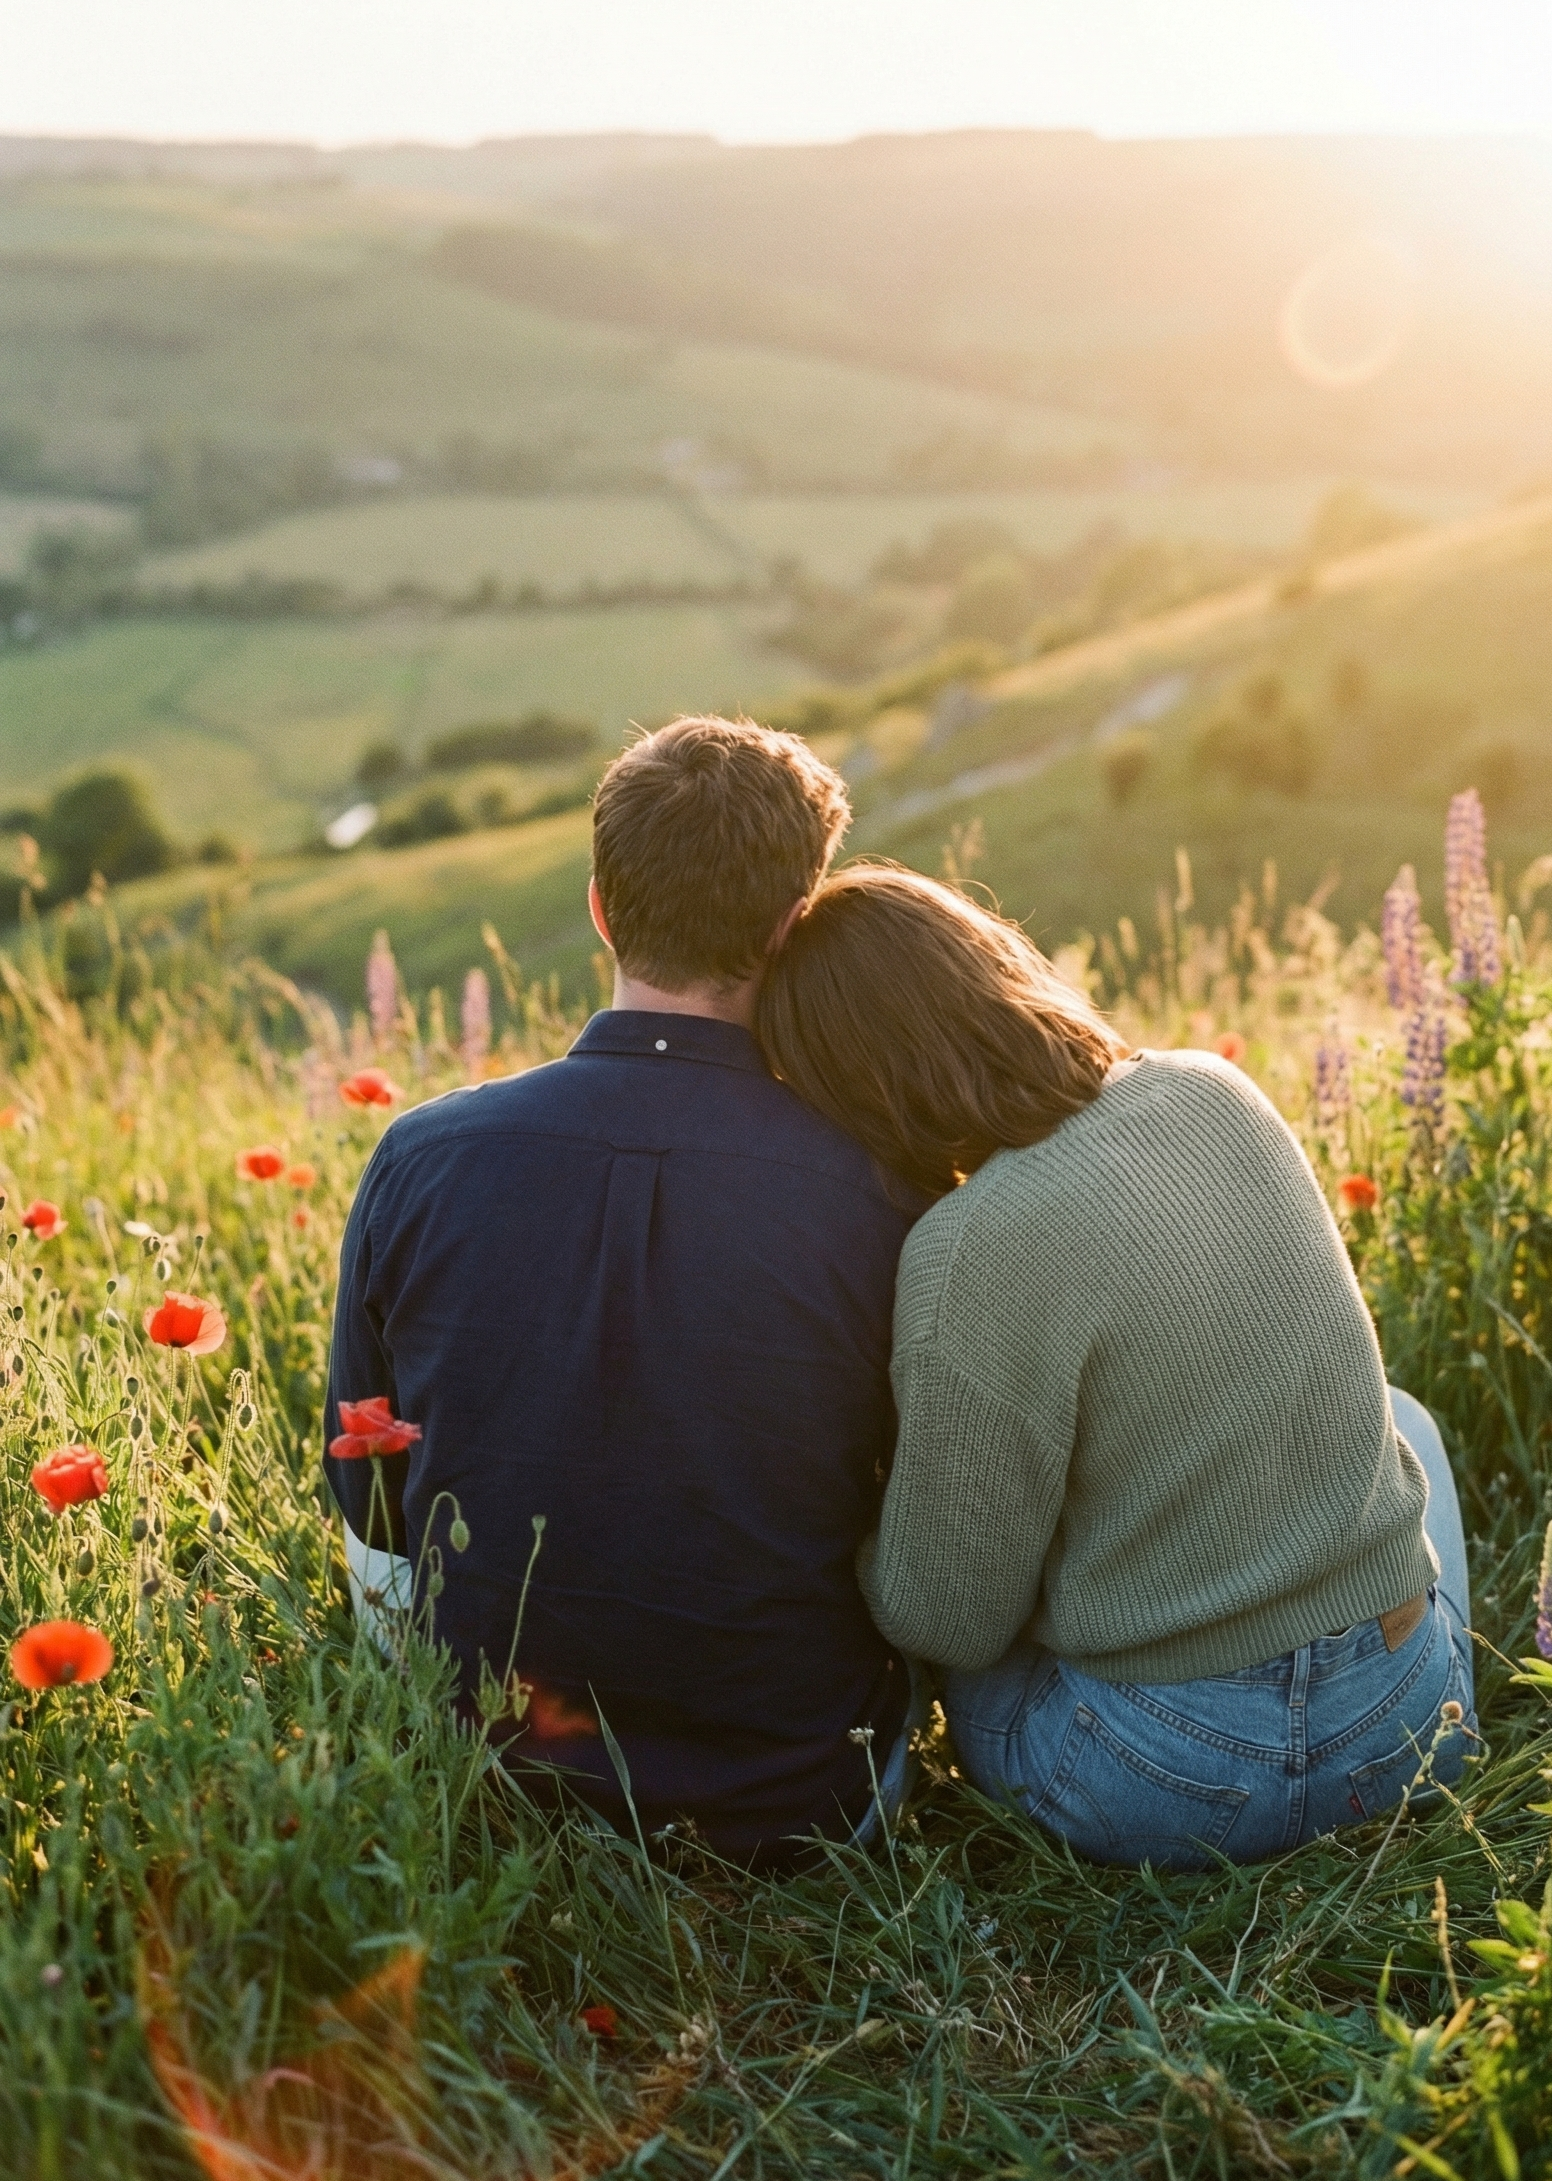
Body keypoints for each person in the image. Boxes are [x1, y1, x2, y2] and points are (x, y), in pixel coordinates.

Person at [756, 863, 1476, 1871]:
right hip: (1403, 1729)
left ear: (853, 1087)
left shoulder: (966, 1247)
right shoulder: (1211, 1087)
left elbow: (947, 1618)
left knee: (975, 1629)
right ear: (993, 967)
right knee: (1408, 1420)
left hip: (1167, 1783)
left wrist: (857, 1523)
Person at [325, 718, 922, 1865]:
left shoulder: (420, 1155)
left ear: (600, 906)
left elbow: (372, 1510)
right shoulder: (884, 1183)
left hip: (493, 1776)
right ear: (796, 927)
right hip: (803, 1797)